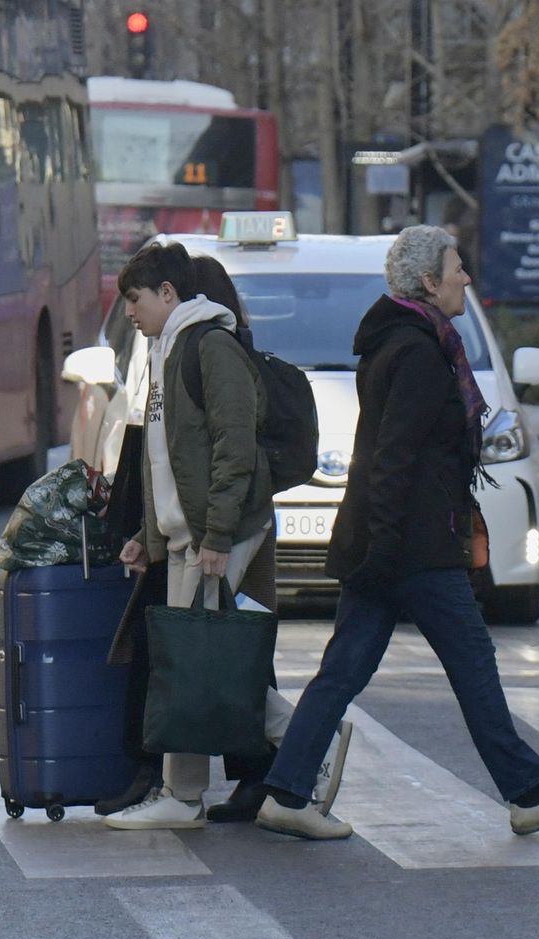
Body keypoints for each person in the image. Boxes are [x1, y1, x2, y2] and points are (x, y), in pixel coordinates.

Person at [254, 225, 539, 840]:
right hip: (411, 546)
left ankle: (285, 792)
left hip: (389, 543)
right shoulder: (417, 352)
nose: (466, 278)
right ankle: (528, 793)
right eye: (457, 267)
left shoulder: (402, 342)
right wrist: (388, 547)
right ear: (428, 281)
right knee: (471, 661)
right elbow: (394, 457)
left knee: (343, 670)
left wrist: (376, 547)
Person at [100, 241, 352, 829]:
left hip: (224, 531)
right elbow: (166, 461)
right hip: (190, 534)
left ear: (169, 294)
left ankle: (306, 744)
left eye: (134, 300)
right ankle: (182, 795)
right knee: (189, 661)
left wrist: (214, 536)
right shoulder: (168, 349)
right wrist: (150, 535)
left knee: (200, 661)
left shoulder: (211, 347)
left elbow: (234, 450)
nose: (129, 313)